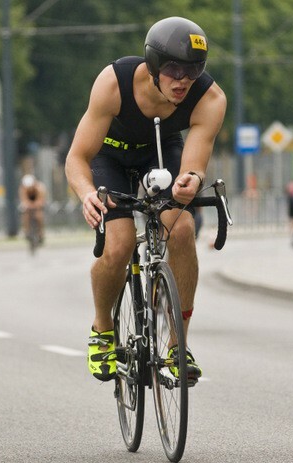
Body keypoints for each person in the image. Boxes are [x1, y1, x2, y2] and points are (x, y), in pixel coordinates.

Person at [64, 16, 226, 383]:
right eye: (173, 69)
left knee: (181, 229)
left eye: (194, 69)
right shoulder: (114, 83)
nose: (183, 79)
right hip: (110, 157)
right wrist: (87, 193)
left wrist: (190, 181)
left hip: (161, 150)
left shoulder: (210, 98)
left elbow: (195, 164)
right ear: (153, 65)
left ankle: (176, 343)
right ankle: (103, 329)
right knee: (119, 246)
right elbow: (77, 157)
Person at [18, 174, 47, 243]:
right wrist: (27, 205)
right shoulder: (23, 189)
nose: (30, 189)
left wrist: (37, 205)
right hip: (29, 201)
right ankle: (26, 231)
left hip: (37, 200)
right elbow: (24, 199)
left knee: (39, 215)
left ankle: (40, 233)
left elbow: (41, 199)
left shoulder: (40, 188)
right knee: (25, 215)